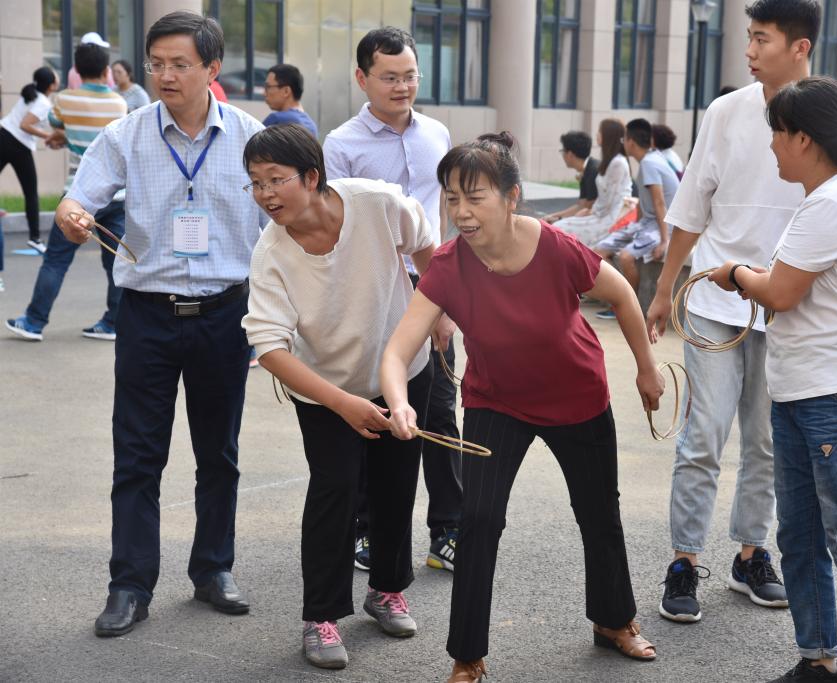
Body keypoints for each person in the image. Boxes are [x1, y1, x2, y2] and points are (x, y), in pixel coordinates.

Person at [380, 132, 663, 683]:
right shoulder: (448, 265)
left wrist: (646, 368)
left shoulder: (555, 247)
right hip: (496, 400)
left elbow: (623, 296)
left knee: (598, 512)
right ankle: (467, 655)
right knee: (479, 521)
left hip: (576, 396)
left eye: (474, 197)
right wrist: (398, 403)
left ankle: (614, 621)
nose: (461, 212)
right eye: (452, 199)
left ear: (511, 197)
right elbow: (397, 350)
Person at [53, 10, 265, 638]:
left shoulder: (250, 138)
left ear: (212, 68)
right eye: (157, 64)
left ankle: (214, 569)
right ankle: (129, 584)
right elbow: (78, 197)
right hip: (147, 315)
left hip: (225, 315)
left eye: (180, 64)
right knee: (138, 455)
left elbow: (281, 223)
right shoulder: (126, 135)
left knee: (219, 453)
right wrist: (72, 214)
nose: (165, 75)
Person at [708, 75, 837, 683]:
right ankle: (819, 661)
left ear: (803, 139)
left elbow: (781, 293)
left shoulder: (833, 201)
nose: (771, 146)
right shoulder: (833, 196)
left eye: (776, 133)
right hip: (806, 392)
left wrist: (736, 274)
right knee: (799, 535)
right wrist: (757, 277)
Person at [646, 0, 821, 626]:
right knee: (703, 436)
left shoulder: (833, 114)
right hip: (714, 302)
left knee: (768, 442)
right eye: (748, 37)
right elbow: (692, 206)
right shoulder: (725, 112)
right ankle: (684, 561)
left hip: (786, 307)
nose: (748, 50)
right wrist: (665, 288)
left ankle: (750, 555)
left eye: (761, 39)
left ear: (799, 47)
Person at [242, 123, 440, 670]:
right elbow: (270, 348)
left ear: (312, 177)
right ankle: (321, 617)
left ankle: (387, 590)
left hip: (403, 370)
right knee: (335, 490)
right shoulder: (271, 252)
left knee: (397, 482)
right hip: (326, 390)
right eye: (255, 182)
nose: (265, 194)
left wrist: (437, 313)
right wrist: (342, 403)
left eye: (275, 179)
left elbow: (428, 247)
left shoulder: (375, 203)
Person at [323, 26, 461, 575]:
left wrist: (447, 299)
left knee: (441, 412)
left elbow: (444, 212)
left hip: (432, 289)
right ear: (362, 78)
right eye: (389, 77)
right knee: (373, 409)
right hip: (374, 293)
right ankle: (366, 528)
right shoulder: (341, 145)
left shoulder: (437, 134)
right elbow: (338, 228)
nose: (402, 87)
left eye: (409, 76)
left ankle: (447, 529)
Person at [5, 42, 127, 342]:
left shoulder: (65, 99)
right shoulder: (119, 104)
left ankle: (33, 322)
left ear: (76, 71)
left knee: (56, 260)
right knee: (116, 262)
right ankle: (113, 322)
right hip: (116, 195)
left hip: (78, 195)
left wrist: (66, 138)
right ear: (106, 71)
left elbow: (59, 125)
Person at [593, 118, 679, 320]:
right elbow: (644, 201)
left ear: (630, 142)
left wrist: (665, 240)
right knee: (599, 251)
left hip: (661, 226)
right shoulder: (650, 159)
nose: (623, 143)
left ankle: (629, 307)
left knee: (625, 257)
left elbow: (659, 202)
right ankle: (617, 298)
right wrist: (635, 225)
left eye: (624, 139)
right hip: (646, 224)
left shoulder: (649, 163)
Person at [0, 66, 59, 253]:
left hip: (4, 136)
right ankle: (35, 238)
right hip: (18, 145)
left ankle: (35, 238)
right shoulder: (43, 102)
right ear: (51, 85)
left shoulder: (32, 94)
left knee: (30, 192)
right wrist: (48, 136)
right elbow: (25, 125)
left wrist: (50, 138)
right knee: (31, 193)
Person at [552, 119, 633, 247]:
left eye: (600, 131)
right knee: (559, 227)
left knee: (560, 229)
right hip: (602, 214)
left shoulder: (617, 163)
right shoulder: (610, 161)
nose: (597, 134)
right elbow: (589, 203)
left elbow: (609, 201)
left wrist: (589, 212)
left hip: (612, 217)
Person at [540, 130, 599, 222]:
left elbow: (587, 208)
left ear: (570, 154)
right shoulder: (587, 168)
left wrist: (559, 219)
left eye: (563, 151)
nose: (562, 155)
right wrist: (554, 216)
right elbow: (581, 205)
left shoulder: (592, 171)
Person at [262, 63, 317, 137]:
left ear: (286, 91)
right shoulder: (312, 126)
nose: (264, 93)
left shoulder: (276, 120)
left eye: (268, 87)